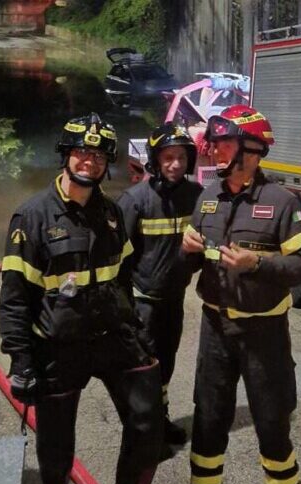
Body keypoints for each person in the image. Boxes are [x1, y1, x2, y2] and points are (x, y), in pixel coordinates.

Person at [0, 112, 175, 484]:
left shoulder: (111, 213)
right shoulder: (33, 216)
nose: (89, 161)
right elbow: (14, 299)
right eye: (81, 152)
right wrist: (21, 360)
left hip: (114, 337)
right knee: (57, 444)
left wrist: (137, 329)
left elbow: (124, 277)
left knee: (148, 419)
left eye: (98, 155)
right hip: (59, 346)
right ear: (65, 155)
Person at [179, 105, 301, 484]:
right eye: (214, 144)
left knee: (272, 423)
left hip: (265, 336)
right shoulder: (208, 198)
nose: (214, 151)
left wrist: (257, 263)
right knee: (208, 422)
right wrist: (185, 250)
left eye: (224, 144)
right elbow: (189, 264)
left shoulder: (282, 202)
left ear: (252, 151)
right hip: (216, 331)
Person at [117, 124, 203, 446]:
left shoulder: (196, 196)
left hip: (173, 299)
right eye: (168, 158)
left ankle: (160, 421)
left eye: (181, 157)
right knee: (144, 368)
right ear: (155, 161)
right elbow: (116, 259)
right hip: (142, 303)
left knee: (166, 362)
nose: (175, 164)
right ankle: (143, 434)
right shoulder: (135, 200)